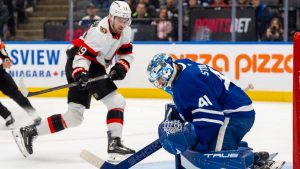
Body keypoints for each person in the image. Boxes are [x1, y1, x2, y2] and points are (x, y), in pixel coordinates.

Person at [16, 1, 135, 162]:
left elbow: (126, 53)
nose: (123, 23)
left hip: (92, 65)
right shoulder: (100, 32)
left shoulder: (125, 31)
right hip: (80, 62)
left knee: (74, 117)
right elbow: (82, 56)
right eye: (120, 19)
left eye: (126, 19)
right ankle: (114, 145)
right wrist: (80, 74)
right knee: (116, 101)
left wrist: (121, 67)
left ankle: (30, 131)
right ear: (111, 17)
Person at [147, 53, 256, 154]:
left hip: (235, 115)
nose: (160, 84)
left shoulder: (186, 83)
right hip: (232, 108)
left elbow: (212, 119)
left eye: (160, 79)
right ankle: (240, 152)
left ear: (167, 71)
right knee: (207, 147)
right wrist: (178, 114)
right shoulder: (182, 65)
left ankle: (246, 160)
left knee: (215, 157)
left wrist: (190, 136)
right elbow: (195, 101)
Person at [0, 39, 41, 127]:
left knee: (14, 93)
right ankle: (7, 116)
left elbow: (2, 51)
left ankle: (34, 115)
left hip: (1, 74)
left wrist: (6, 59)